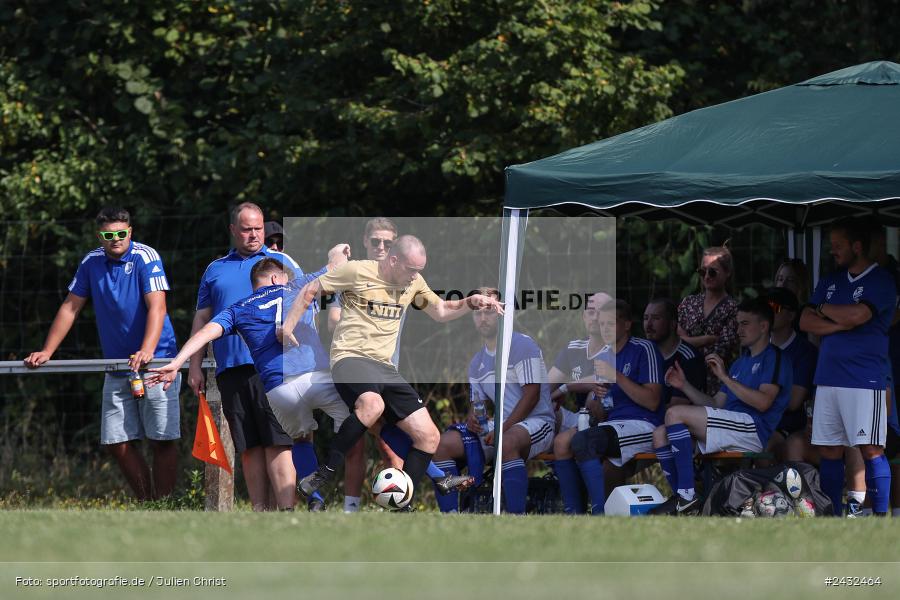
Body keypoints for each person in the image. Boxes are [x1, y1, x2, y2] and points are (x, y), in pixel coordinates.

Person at [281, 235, 504, 508]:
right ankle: (323, 472)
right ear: (394, 260)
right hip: (350, 358)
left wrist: (471, 301)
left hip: (384, 367)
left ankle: (401, 501)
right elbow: (310, 290)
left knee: (429, 437)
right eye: (412, 270)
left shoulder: (414, 282)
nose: (415, 277)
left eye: (419, 270)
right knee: (372, 405)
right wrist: (288, 327)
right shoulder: (357, 271)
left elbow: (441, 310)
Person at [148, 256, 349, 510]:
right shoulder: (299, 286)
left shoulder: (238, 308)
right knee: (363, 416)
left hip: (280, 391)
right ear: (277, 278)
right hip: (314, 378)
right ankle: (333, 469)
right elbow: (335, 266)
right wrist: (340, 252)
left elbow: (205, 333)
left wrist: (177, 363)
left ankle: (315, 499)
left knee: (299, 440)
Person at [24, 207, 181, 500]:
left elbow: (158, 306)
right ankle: (148, 503)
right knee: (115, 441)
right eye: (109, 235)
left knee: (162, 438)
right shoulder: (91, 262)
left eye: (121, 233)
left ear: (130, 232)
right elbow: (71, 307)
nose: (116, 240)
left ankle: (166, 505)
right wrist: (47, 351)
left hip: (157, 362)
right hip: (117, 365)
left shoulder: (146, 257)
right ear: (100, 236)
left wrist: (147, 349)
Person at [189, 202, 311, 511]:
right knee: (249, 445)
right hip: (230, 369)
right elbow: (202, 319)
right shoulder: (215, 269)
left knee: (278, 441)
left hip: (273, 368)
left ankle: (286, 511)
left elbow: (308, 303)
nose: (254, 235)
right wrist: (194, 366)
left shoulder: (280, 262)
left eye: (258, 228)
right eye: (246, 229)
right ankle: (259, 510)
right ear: (233, 230)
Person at [650, 297, 792, 515]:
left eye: (745, 323)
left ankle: (686, 498)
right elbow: (716, 404)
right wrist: (684, 385)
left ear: (763, 326)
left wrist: (725, 378)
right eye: (737, 324)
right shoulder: (740, 362)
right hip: (729, 426)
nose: (738, 329)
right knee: (660, 434)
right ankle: (685, 498)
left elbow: (764, 403)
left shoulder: (774, 357)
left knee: (673, 414)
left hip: (752, 429)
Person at [799, 217, 894, 516]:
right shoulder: (829, 281)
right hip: (827, 379)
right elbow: (804, 321)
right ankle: (832, 516)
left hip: (864, 379)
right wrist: (841, 321)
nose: (833, 252)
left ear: (857, 246)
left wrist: (825, 311)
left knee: (871, 449)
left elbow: (858, 316)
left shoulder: (881, 280)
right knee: (828, 450)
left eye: (838, 246)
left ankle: (879, 517)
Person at [432, 288, 555, 514]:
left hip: (538, 422)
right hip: (502, 426)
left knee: (506, 442)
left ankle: (515, 517)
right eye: (477, 312)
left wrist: (501, 429)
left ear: (502, 313)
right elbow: (477, 406)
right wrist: (473, 421)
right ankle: (450, 516)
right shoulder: (476, 362)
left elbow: (532, 395)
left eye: (489, 311)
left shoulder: (521, 345)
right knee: (441, 444)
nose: (482, 318)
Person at [553, 299, 664, 515]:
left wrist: (617, 377)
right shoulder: (603, 355)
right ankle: (573, 512)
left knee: (585, 441)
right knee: (561, 443)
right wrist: (597, 397)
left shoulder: (644, 349)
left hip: (643, 425)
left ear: (627, 324)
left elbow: (652, 401)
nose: (604, 329)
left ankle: (598, 512)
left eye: (610, 324)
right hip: (611, 425)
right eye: (602, 324)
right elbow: (601, 410)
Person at [326, 217, 404, 513]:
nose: (381, 247)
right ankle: (351, 510)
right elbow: (333, 321)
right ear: (365, 241)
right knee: (354, 445)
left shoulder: (404, 275)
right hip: (353, 369)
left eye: (387, 242)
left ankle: (397, 506)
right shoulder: (351, 274)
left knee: (392, 446)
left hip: (387, 372)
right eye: (376, 241)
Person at [764, 288, 818, 462]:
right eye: (764, 307)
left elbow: (793, 401)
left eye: (774, 307)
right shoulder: (755, 347)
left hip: (790, 425)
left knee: (763, 447)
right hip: (757, 422)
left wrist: (756, 397)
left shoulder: (805, 351)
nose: (768, 312)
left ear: (791, 315)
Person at [678, 245, 739, 395]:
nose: (706, 276)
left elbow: (721, 350)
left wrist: (688, 341)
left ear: (727, 273)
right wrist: (708, 339)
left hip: (716, 387)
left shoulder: (735, 309)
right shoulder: (688, 303)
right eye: (702, 271)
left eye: (712, 272)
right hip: (683, 381)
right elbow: (675, 342)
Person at [547, 292, 613, 433]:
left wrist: (564, 388)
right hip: (580, 418)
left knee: (594, 396)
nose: (595, 318)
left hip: (613, 421)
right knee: (545, 406)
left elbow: (600, 381)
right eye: (590, 312)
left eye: (601, 312)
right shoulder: (574, 347)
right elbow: (545, 387)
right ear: (583, 316)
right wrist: (544, 399)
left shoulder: (617, 348)